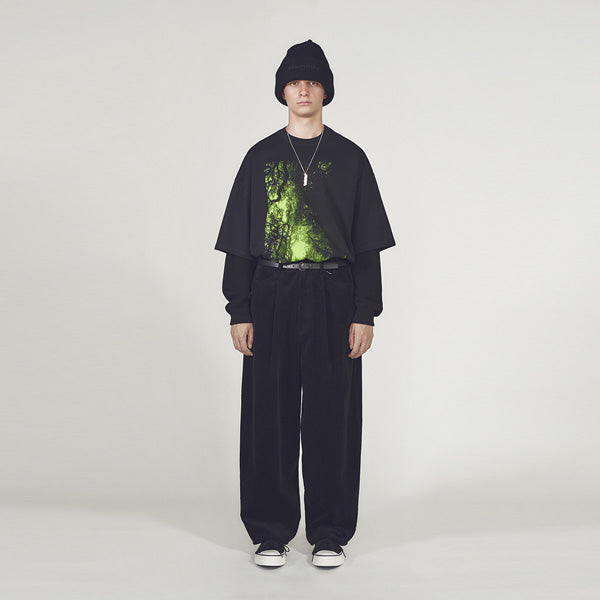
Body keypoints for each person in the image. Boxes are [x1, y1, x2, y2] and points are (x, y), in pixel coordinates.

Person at [214, 39, 396, 568]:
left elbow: (367, 244)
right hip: (271, 291)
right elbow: (239, 240)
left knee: (331, 415)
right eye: (295, 82)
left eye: (313, 82)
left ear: (326, 91)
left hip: (334, 293)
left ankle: (329, 533)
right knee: (267, 415)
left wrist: (364, 311)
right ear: (282, 91)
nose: (303, 90)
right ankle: (270, 531)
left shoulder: (351, 158)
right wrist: (239, 309)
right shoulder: (260, 157)